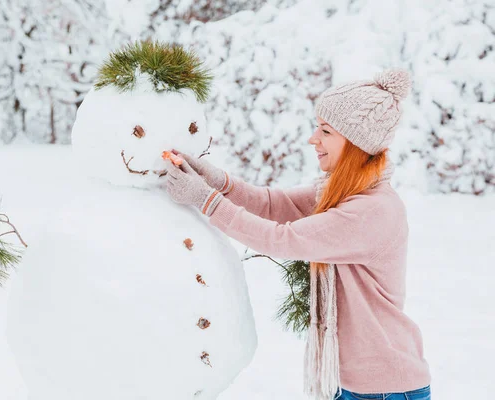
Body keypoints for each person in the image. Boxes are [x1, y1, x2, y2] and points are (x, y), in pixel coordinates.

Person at [164, 69, 431, 400]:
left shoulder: (371, 210)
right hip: (348, 381)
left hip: (385, 389)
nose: (313, 138)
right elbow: (277, 204)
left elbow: (281, 239)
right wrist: (218, 182)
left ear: (354, 143)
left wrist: (206, 200)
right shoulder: (344, 194)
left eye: (326, 130)